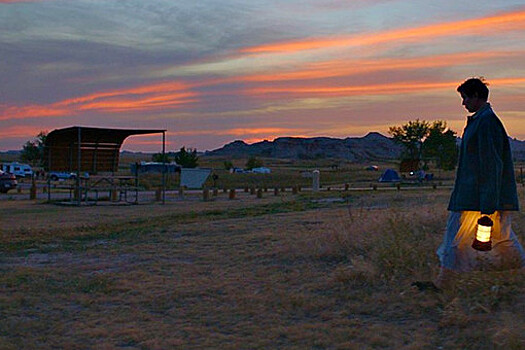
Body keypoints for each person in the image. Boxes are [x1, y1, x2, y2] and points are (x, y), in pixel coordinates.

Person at [414, 78, 525, 291]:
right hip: (471, 194)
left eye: (465, 97)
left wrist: (488, 204)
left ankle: (443, 284)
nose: (463, 103)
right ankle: (443, 282)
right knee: (487, 239)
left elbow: (492, 165)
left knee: (484, 239)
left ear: (476, 96)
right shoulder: (481, 121)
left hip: (478, 197)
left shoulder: (487, 122)